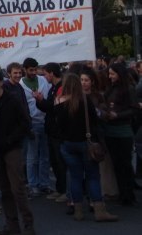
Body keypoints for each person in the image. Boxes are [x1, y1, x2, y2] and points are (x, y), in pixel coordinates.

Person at [54, 73, 118, 222]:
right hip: (86, 142)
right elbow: (94, 120)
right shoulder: (84, 100)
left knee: (75, 177)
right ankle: (99, 210)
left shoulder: (58, 101)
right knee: (93, 176)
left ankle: (77, 210)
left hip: (67, 143)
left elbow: (58, 125)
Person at [0, 70, 35, 235]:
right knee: (5, 190)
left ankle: (28, 224)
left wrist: (11, 139)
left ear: (0, 82)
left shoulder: (12, 100)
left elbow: (25, 123)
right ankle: (12, 225)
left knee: (17, 189)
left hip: (12, 149)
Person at [102, 62, 139, 205]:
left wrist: (118, 115)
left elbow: (134, 110)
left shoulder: (129, 89)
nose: (110, 76)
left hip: (123, 131)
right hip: (111, 131)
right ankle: (122, 192)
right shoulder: (110, 89)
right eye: (109, 73)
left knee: (125, 164)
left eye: (112, 74)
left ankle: (128, 194)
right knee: (117, 164)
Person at [34, 62, 67, 201]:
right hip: (52, 130)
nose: (44, 76)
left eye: (45, 73)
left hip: (58, 130)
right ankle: (60, 189)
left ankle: (65, 191)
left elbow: (55, 107)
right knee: (54, 161)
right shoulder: (53, 87)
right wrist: (40, 101)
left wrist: (41, 100)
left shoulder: (61, 88)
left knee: (60, 162)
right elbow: (49, 107)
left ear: (52, 73)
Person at [19, 58, 51, 196]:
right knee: (32, 156)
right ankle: (33, 184)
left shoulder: (43, 80)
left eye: (35, 69)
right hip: (31, 123)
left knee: (45, 155)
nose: (33, 72)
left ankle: (44, 183)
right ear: (24, 69)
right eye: (30, 70)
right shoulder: (21, 85)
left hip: (45, 121)